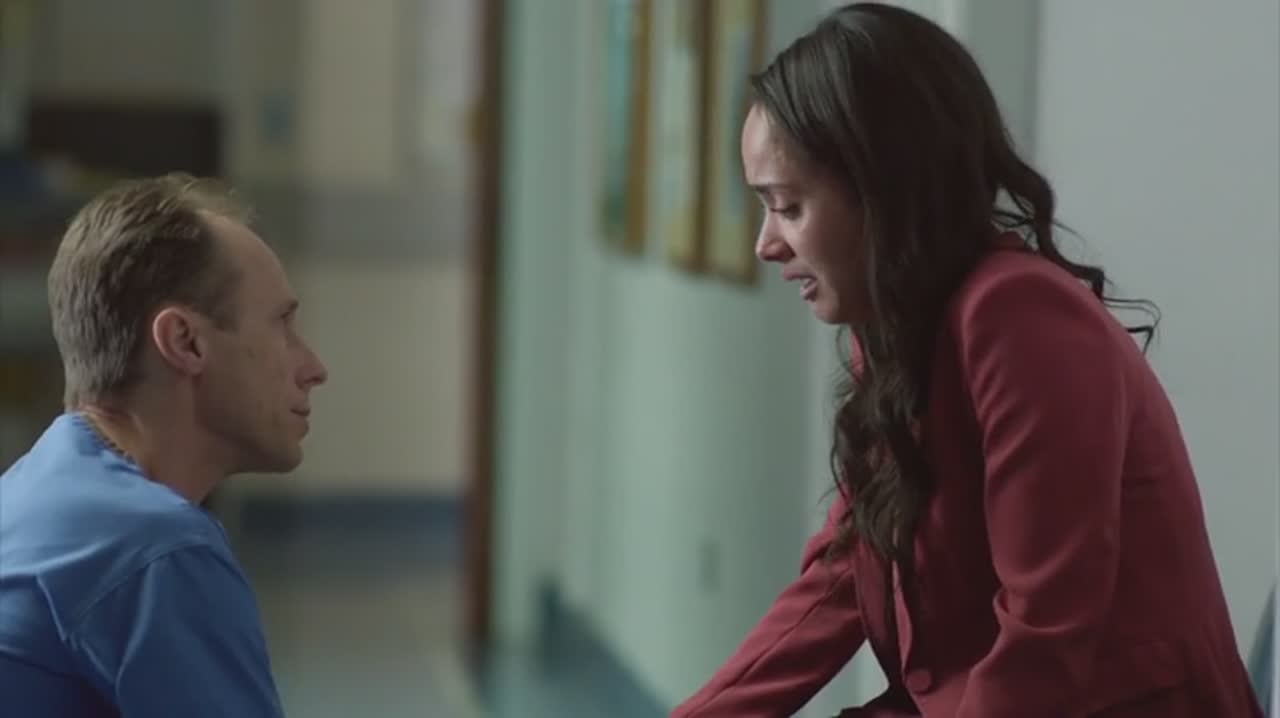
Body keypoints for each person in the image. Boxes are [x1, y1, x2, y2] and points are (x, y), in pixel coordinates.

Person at [671, 4, 1263, 717]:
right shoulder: (899, 328)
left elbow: (1047, 630)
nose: (766, 243)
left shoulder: (1018, 318)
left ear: (881, 189)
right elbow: (843, 571)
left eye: (788, 207)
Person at [0, 173, 328, 716]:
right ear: (184, 341)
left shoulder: (28, 490)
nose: (313, 368)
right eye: (282, 326)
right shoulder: (157, 551)